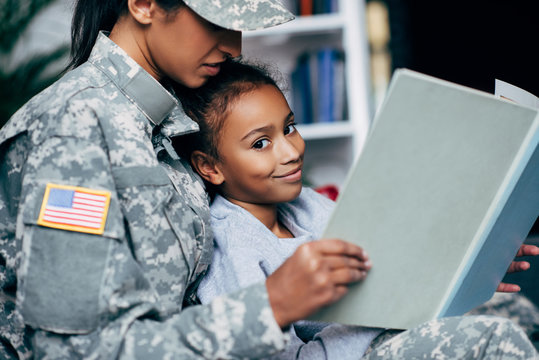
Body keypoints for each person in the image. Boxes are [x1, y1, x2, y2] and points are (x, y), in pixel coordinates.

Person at [0, 1, 373, 359]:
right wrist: (272, 304)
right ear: (144, 5)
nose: (234, 46)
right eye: (216, 22)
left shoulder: (167, 119)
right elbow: (76, 351)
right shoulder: (72, 130)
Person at [175, 58, 539, 359]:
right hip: (361, 351)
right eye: (261, 143)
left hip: (382, 333)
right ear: (211, 167)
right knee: (494, 339)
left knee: (517, 310)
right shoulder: (233, 248)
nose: (290, 151)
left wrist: (471, 263)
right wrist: (376, 322)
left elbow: (381, 269)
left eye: (289, 128)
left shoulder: (305, 204)